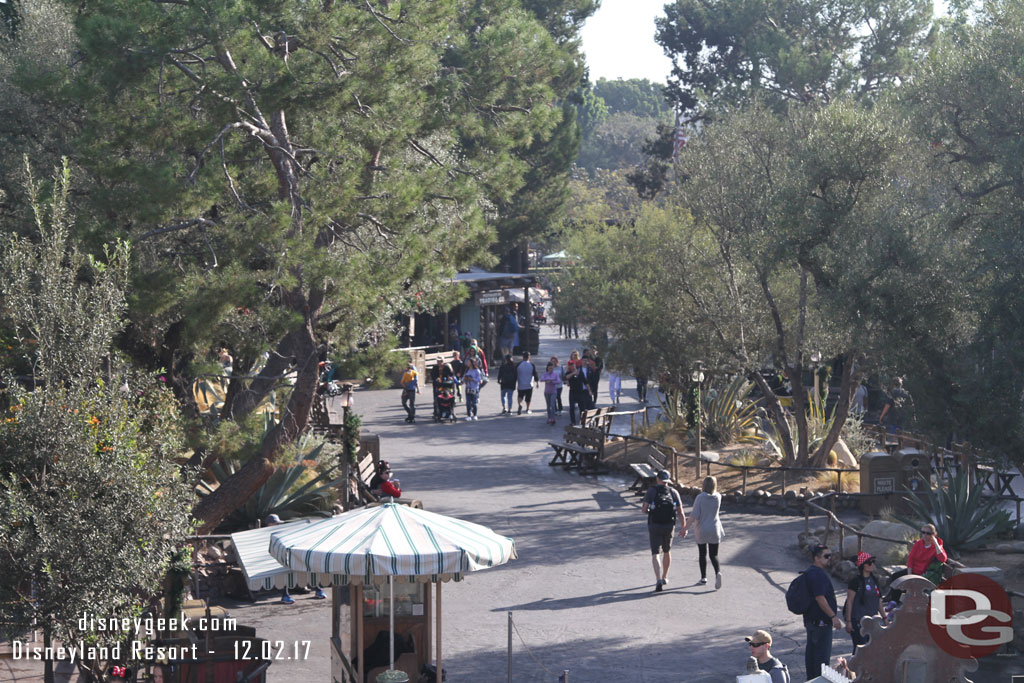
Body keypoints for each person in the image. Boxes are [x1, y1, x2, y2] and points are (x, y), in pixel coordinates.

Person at [641, 470, 687, 592]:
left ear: (658, 479)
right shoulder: (673, 492)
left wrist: (651, 510)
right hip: (669, 525)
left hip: (654, 525)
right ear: (668, 480)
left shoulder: (652, 491)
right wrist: (684, 528)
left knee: (655, 553)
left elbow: (644, 509)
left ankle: (658, 580)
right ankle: (665, 577)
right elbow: (680, 512)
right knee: (667, 551)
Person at [803, 544, 843, 680]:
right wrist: (833, 617)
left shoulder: (811, 572)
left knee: (813, 659)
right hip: (821, 624)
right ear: (816, 558)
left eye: (830, 555)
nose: (829, 558)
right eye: (826, 556)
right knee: (821, 663)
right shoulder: (817, 574)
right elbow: (820, 598)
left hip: (812, 623)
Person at [266, 514, 326, 602]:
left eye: (277, 523)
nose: (277, 525)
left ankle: (318, 589)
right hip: (275, 560)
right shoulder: (266, 534)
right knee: (286, 574)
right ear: (269, 524)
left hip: (287, 556)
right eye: (275, 523)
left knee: (307, 568)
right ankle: (285, 595)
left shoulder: (280, 531)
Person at [845, 552, 886, 650]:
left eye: (873, 562)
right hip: (859, 621)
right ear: (863, 565)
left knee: (871, 649)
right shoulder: (855, 581)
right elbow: (849, 601)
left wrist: (884, 618)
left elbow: (878, 600)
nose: (873, 564)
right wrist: (849, 621)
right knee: (860, 649)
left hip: (873, 621)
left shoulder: (874, 580)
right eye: (870, 562)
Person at [690, 475, 724, 589]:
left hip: (702, 528)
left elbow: (694, 515)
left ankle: (703, 577)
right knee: (714, 554)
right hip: (715, 528)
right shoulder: (718, 497)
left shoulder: (700, 498)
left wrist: (685, 527)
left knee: (702, 553)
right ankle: (717, 572)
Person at [565, 355, 594, 425]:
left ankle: (582, 421)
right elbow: (566, 377)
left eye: (573, 365)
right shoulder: (569, 372)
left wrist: (589, 391)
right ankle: (573, 421)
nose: (572, 366)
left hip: (580, 392)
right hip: (572, 392)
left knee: (582, 408)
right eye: (570, 365)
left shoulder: (579, 372)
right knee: (572, 407)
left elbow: (586, 382)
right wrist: (573, 373)